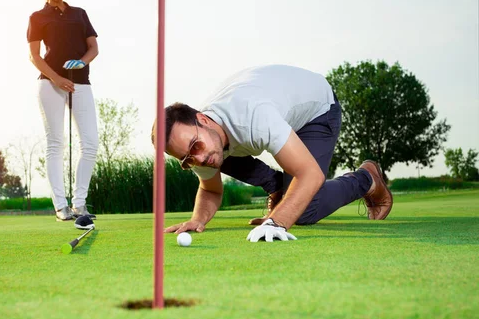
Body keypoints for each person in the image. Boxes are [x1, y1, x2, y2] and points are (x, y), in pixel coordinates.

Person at [153, 64, 393, 242]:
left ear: (203, 119)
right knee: (217, 158)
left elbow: (309, 174)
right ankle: (279, 189)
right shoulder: (198, 143)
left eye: (195, 146)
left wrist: (276, 222)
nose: (198, 158)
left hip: (316, 109)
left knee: (306, 210)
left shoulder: (253, 117)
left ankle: (366, 178)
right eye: (186, 160)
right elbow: (210, 189)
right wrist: (198, 219)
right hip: (276, 110)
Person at [27, 0, 99, 221]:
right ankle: (61, 207)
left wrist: (81, 62)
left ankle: (80, 203)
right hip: (50, 84)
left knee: (90, 143)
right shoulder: (37, 17)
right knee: (55, 144)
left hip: (81, 83)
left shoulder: (80, 14)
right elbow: (34, 56)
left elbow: (94, 48)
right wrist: (57, 79)